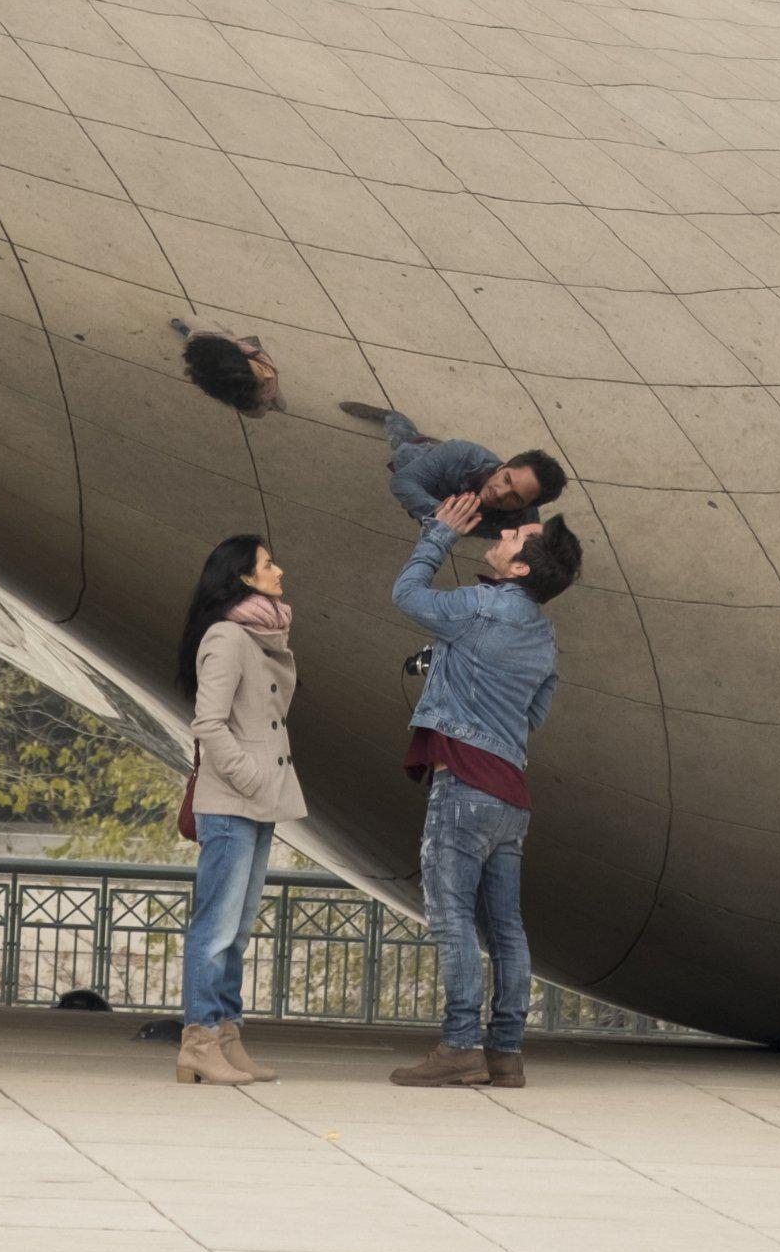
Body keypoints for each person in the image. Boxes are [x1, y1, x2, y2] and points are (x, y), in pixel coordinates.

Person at [388, 489, 583, 1088]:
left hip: (463, 785)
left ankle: (459, 1046)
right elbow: (535, 713)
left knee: (450, 918)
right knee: (506, 928)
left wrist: (439, 534)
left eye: (516, 538)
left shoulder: (480, 607)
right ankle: (506, 1053)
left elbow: (406, 595)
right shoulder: (544, 636)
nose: (505, 534)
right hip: (509, 795)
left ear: (521, 567)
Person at [174, 534, 303, 1085]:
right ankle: (199, 1043)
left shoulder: (259, 635)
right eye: (268, 564)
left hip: (258, 801)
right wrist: (251, 777)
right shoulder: (227, 637)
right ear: (244, 578)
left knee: (239, 929)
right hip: (232, 801)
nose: (279, 570)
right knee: (216, 928)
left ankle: (227, 1035)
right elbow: (208, 723)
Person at [338, 407, 568, 535]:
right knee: (402, 442)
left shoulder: (524, 523)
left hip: (442, 476)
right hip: (420, 455)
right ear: (503, 467)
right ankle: (391, 416)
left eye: (515, 497)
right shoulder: (462, 454)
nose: (500, 493)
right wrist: (444, 514)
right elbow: (402, 482)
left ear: (526, 507)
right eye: (506, 479)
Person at [170, 320, 283, 415]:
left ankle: (187, 332)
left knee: (196, 329)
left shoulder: (241, 399)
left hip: (254, 403)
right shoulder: (267, 372)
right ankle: (279, 406)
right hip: (265, 396)